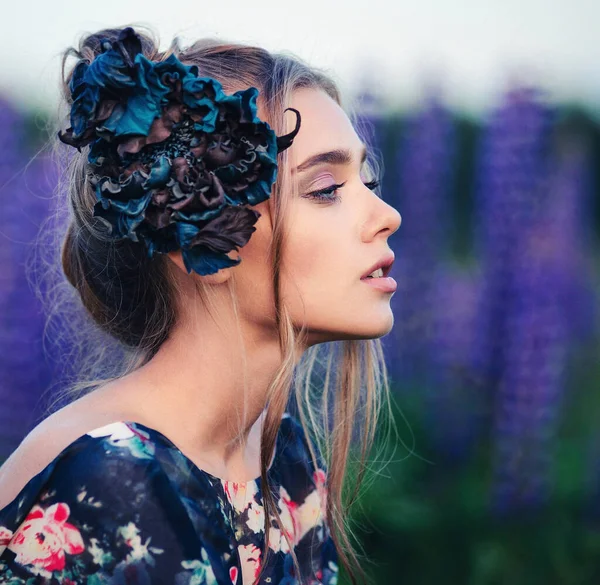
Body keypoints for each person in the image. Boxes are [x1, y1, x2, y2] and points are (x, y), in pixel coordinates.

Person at [0, 24, 401, 585]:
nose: (388, 215)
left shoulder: (280, 460)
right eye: (325, 189)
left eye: (368, 179)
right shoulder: (105, 483)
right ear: (203, 236)